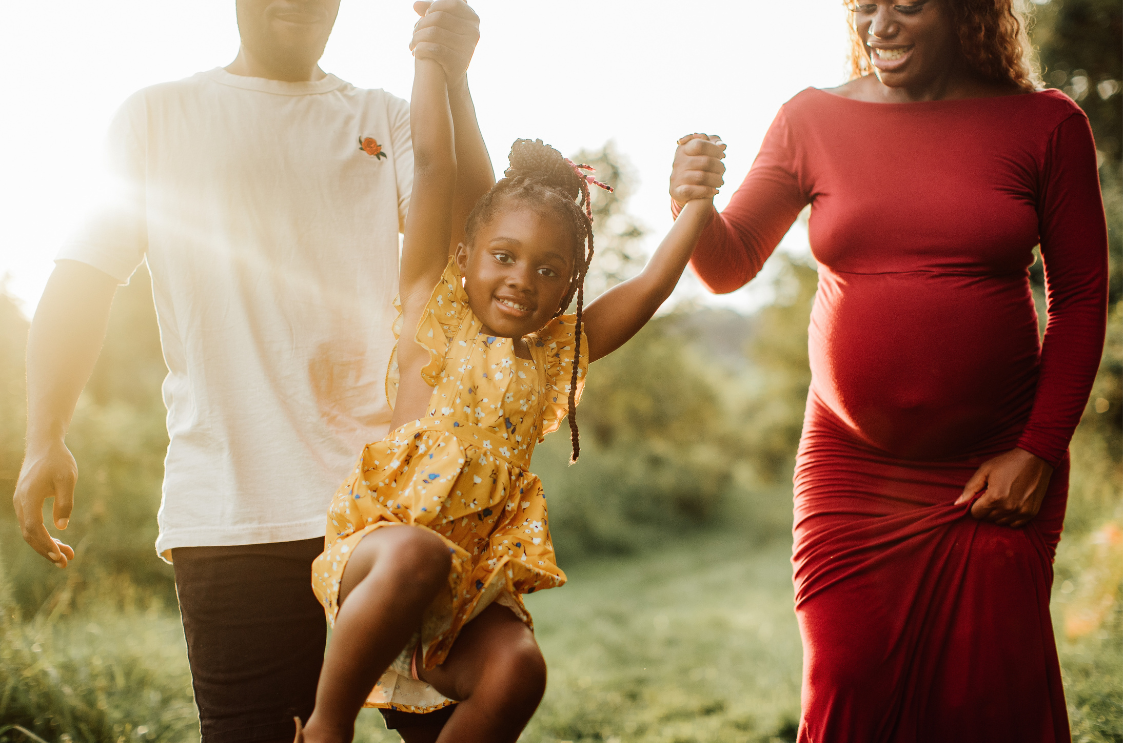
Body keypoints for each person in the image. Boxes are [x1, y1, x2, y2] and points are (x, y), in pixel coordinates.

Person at [12, 1, 494, 740]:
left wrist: (455, 84)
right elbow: (82, 278)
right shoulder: (155, 118)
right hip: (233, 511)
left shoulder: (386, 117)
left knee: (455, 725)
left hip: (393, 503)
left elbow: (480, 235)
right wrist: (44, 434)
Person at [670, 0, 1107, 740]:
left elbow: (1081, 298)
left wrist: (1037, 450)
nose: (879, 26)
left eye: (905, 5)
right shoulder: (809, 119)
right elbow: (726, 262)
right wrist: (690, 200)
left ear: (965, 12)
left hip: (992, 470)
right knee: (846, 688)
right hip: (852, 468)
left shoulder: (1046, 124)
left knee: (989, 706)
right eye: (863, 7)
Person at [295, 42, 724, 742]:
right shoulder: (432, 309)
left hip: (461, 591)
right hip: (379, 559)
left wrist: (695, 209)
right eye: (504, 256)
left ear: (567, 287)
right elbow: (435, 164)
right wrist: (431, 60)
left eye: (549, 269)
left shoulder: (557, 353)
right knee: (419, 553)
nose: (523, 278)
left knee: (519, 668)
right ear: (465, 257)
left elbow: (645, 288)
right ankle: (324, 729)